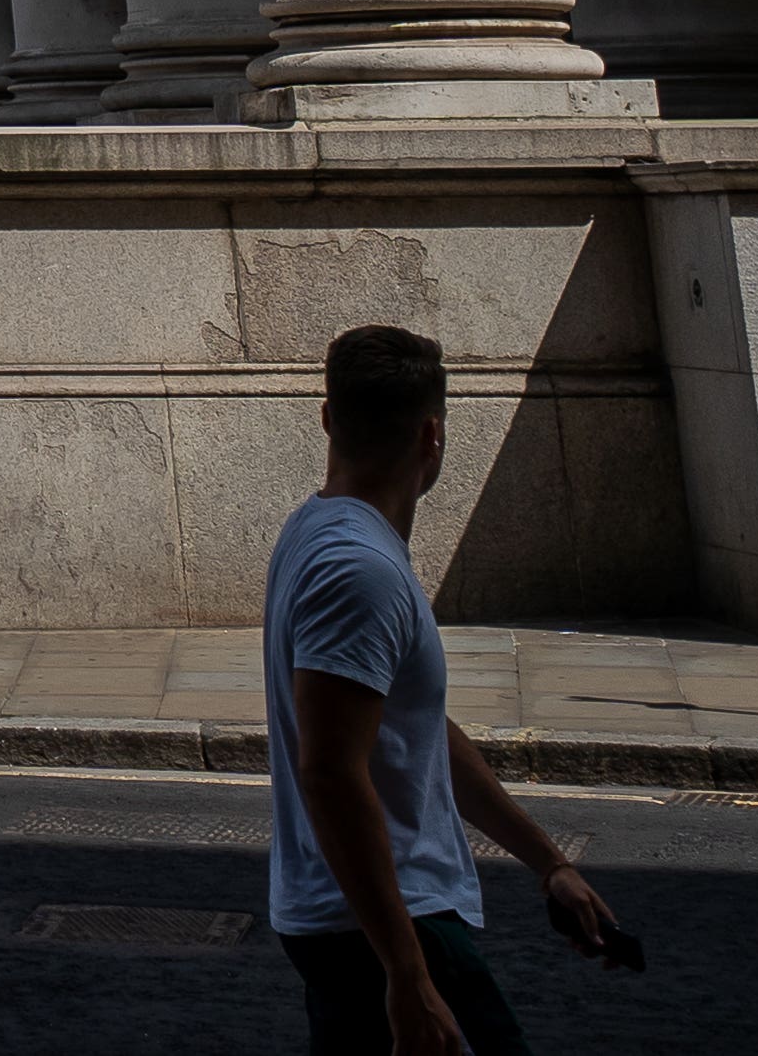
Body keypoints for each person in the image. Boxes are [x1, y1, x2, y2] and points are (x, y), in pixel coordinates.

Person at [267, 326, 638, 1050]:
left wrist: (547, 861)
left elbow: (414, 731)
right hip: (388, 925)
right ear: (431, 435)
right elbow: (330, 773)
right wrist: (404, 975)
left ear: (325, 417)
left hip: (355, 926)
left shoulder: (321, 533)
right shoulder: (359, 570)